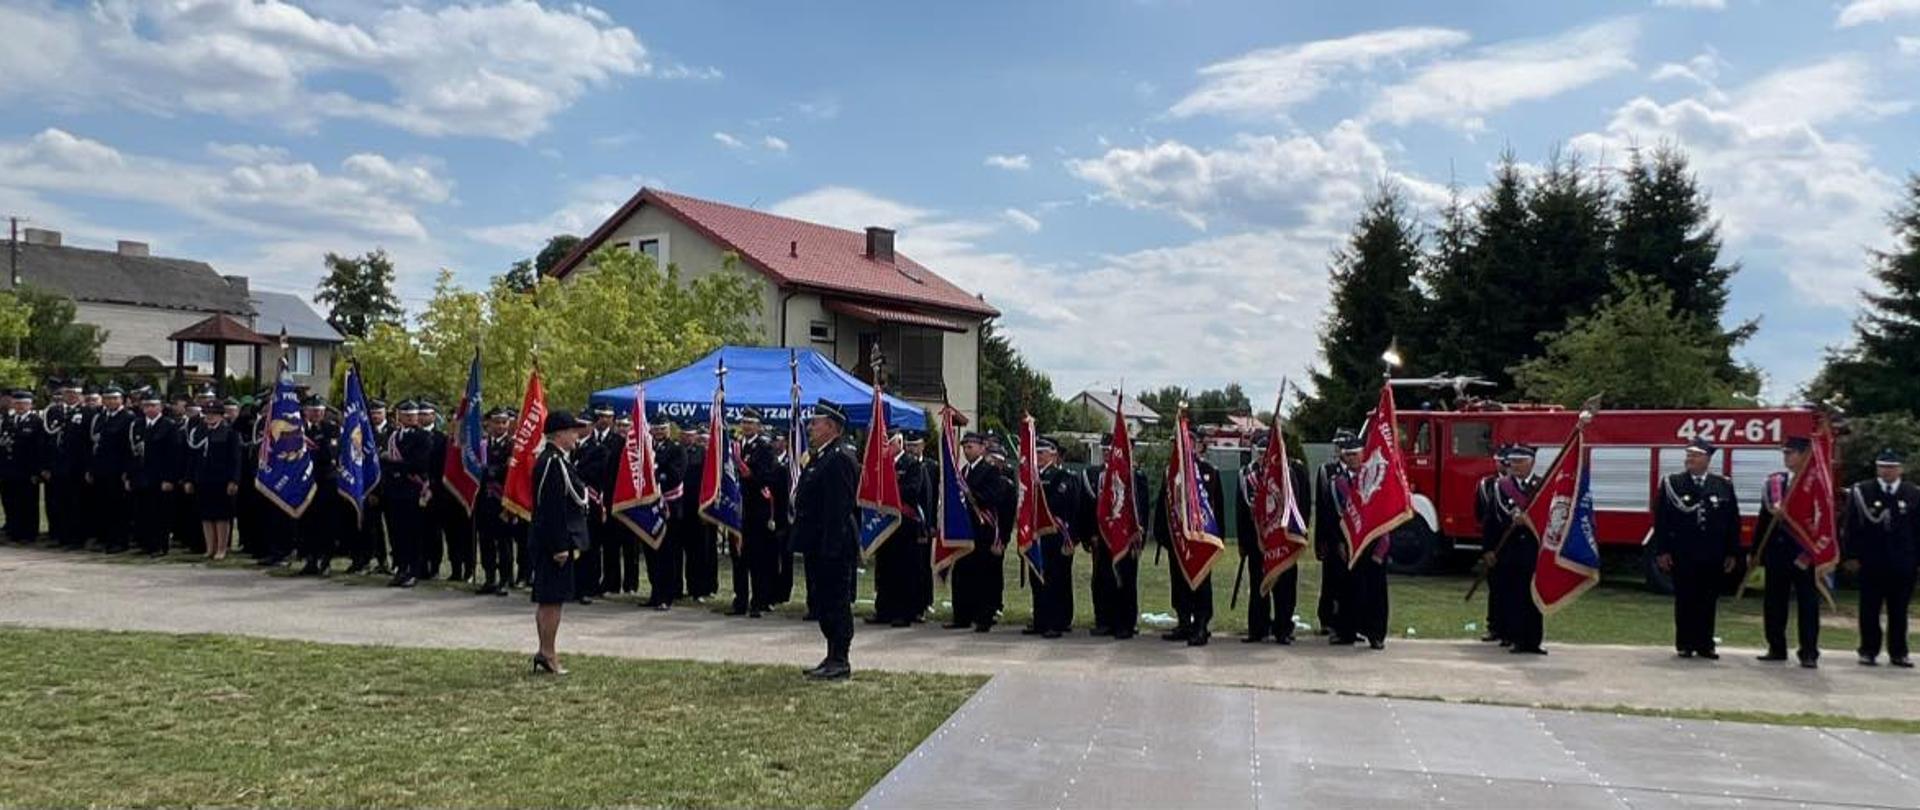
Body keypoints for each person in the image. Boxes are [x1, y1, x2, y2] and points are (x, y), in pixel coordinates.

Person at [790, 400, 861, 680]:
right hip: (817, 543)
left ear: (831, 426)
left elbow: (839, 507)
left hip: (833, 543)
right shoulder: (822, 455)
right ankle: (831, 655)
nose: (810, 427)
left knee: (836, 602)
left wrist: (830, 546)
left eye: (815, 423)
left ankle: (840, 659)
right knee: (823, 601)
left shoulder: (840, 457)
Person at [1653, 437, 1741, 660]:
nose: (1689, 459)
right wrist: (1662, 551)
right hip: (1683, 553)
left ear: (1707, 459)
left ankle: (1705, 644)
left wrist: (1732, 552)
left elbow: (1732, 520)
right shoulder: (1673, 483)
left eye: (1695, 455)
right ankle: (1685, 643)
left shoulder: (1722, 484)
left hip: (1713, 553)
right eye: (1688, 455)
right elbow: (1662, 520)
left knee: (1708, 599)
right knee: (1685, 598)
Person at [530, 409, 593, 676]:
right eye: (572, 431)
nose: (576, 435)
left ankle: (546, 651)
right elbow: (551, 508)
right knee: (551, 600)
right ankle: (548, 653)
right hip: (554, 543)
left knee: (551, 599)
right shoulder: (552, 462)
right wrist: (559, 546)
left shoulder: (558, 460)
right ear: (560, 434)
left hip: (558, 539)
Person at [1844, 449, 1918, 668]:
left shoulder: (1912, 493)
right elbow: (1851, 526)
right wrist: (1851, 555)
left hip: (1903, 563)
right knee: (1869, 609)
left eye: (1891, 467)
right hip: (1871, 562)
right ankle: (1868, 650)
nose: (1886, 471)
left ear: (1900, 469)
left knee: (1899, 611)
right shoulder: (1863, 491)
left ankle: (1899, 652)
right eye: (1882, 467)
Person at [1753, 436, 1822, 668]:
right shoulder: (1774, 482)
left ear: (1804, 455)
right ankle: (1776, 647)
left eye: (1790, 453)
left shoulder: (1815, 483)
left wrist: (1813, 554)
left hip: (1805, 554)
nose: (1786, 457)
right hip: (1777, 552)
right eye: (1784, 453)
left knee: (1808, 606)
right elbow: (1763, 521)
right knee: (1774, 603)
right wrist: (1756, 552)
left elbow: (1823, 523)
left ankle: (1809, 652)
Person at [1237, 432, 1309, 645]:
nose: (1263, 457)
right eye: (1259, 453)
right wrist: (1243, 542)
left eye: (1267, 452)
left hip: (1284, 540)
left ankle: (1283, 629)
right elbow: (1241, 510)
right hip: (1257, 541)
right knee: (1259, 586)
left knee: (1285, 588)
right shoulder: (1247, 475)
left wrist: (1299, 534)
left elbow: (1302, 505)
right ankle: (1258, 628)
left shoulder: (1293, 472)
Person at [1153, 432, 1224, 646]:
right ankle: (1184, 622)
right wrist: (1163, 536)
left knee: (1201, 585)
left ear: (1196, 446)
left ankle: (1201, 625)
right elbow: (1162, 508)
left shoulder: (1209, 472)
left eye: (1186, 443)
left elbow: (1217, 508)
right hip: (1178, 540)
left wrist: (1217, 538)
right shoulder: (1171, 473)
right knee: (1179, 584)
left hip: (1201, 541)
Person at [1081, 433, 1147, 640]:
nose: (1108, 455)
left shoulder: (1134, 476)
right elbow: (1087, 507)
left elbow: (1141, 508)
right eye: (1105, 451)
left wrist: (1138, 534)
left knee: (1125, 580)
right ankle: (1104, 620)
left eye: (1112, 451)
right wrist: (1089, 533)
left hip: (1126, 537)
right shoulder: (1093, 475)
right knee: (1101, 580)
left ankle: (1126, 623)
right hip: (1101, 537)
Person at [947, 432, 1013, 632]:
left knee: (983, 576)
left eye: (971, 447)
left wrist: (971, 495)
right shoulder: (964, 471)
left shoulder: (990, 471)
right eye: (965, 447)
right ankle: (962, 616)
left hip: (983, 532)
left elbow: (993, 499)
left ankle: (984, 617)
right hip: (965, 531)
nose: (967, 451)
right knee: (962, 575)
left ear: (982, 447)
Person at [1485, 444, 1545, 655]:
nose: (1516, 466)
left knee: (1534, 597)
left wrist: (1528, 521)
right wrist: (1489, 549)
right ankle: (1516, 637)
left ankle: (1534, 641)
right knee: (1514, 595)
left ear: (1532, 462)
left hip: (1532, 550)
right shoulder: (1502, 486)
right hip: (1509, 550)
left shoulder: (1541, 485)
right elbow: (1493, 518)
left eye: (1521, 461)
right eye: (1514, 462)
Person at [1026, 436, 1085, 639]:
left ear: (1053, 454)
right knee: (1037, 578)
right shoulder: (1031, 478)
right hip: (1036, 536)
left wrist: (1073, 537)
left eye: (1042, 453)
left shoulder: (1062, 477)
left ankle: (1057, 621)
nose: (1038, 457)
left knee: (1055, 579)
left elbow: (1065, 505)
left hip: (1056, 536)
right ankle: (1040, 619)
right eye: (1037, 453)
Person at [733, 408, 786, 617]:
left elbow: (768, 478)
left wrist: (749, 474)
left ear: (758, 426)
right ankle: (740, 600)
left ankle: (758, 602)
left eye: (750, 422)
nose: (746, 426)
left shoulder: (764, 448)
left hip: (756, 510)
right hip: (738, 509)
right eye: (744, 422)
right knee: (739, 558)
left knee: (757, 558)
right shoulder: (736, 446)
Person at [869, 430, 924, 626]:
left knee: (903, 569)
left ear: (898, 443)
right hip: (884, 521)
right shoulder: (881, 465)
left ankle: (904, 612)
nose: (885, 449)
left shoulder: (911, 464)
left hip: (904, 523)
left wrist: (890, 491)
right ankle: (884, 609)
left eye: (888, 444)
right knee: (884, 568)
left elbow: (912, 490)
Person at [1314, 431, 1359, 640]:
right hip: (1332, 536)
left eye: (1344, 446)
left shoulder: (1359, 472)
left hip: (1353, 537)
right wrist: (1321, 541)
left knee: (1350, 583)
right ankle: (1327, 620)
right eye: (1338, 446)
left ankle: (1349, 623)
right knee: (1330, 581)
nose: (1340, 450)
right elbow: (1322, 509)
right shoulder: (1327, 471)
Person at [385, 401, 435, 588]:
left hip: (412, 490)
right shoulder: (394, 436)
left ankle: (414, 570)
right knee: (397, 533)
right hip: (395, 491)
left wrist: (395, 464)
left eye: (413, 415)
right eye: (406, 415)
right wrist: (394, 466)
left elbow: (419, 463)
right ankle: (401, 567)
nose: (410, 418)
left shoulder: (423, 437)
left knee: (413, 533)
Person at [127, 390, 183, 557]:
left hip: (160, 477)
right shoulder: (137, 424)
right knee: (142, 512)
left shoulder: (169, 426)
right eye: (146, 405)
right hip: (141, 476)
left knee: (160, 513)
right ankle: (146, 544)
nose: (149, 408)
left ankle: (160, 545)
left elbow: (174, 455)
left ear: (160, 407)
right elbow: (132, 452)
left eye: (153, 405)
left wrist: (169, 478)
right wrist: (130, 476)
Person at [187, 399, 244, 560]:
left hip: (222, 480)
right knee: (206, 515)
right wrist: (189, 479)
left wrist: (234, 480)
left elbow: (235, 459)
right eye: (208, 414)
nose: (210, 417)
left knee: (221, 516)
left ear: (221, 416)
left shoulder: (230, 433)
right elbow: (192, 457)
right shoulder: (199, 431)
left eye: (214, 414)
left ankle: (222, 548)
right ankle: (210, 547)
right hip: (203, 479)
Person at [573, 405, 618, 604]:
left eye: (583, 425)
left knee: (589, 548)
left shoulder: (599, 449)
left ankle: (587, 587)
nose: (579, 428)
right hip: (572, 505)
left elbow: (595, 474)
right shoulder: (570, 448)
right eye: (577, 425)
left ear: (591, 426)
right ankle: (573, 586)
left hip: (590, 505)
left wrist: (575, 472)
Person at [642, 418, 687, 609]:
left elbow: (675, 476)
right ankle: (655, 593)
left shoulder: (677, 449)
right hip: (649, 508)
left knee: (667, 553)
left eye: (662, 428)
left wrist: (658, 470)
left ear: (669, 430)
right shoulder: (645, 448)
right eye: (656, 428)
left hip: (669, 507)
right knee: (650, 552)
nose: (658, 431)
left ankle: (666, 596)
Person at [476, 408, 520, 595]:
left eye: (504, 422)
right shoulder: (483, 445)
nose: (500, 426)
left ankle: (505, 579)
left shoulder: (512, 445)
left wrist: (494, 471)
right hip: (484, 501)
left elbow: (511, 472)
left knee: (504, 543)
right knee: (486, 541)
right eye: (496, 422)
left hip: (503, 501)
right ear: (489, 424)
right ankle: (489, 578)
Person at [88, 386, 136, 553]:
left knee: (119, 507)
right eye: (108, 398)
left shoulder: (128, 418)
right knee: (102, 505)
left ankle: (120, 541)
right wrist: (92, 469)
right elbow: (94, 445)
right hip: (101, 469)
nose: (111, 402)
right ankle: (105, 539)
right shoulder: (100, 417)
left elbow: (130, 447)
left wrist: (127, 471)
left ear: (121, 400)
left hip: (118, 470)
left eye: (115, 398)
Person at [346, 400, 392, 575]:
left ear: (385, 413)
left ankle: (385, 561)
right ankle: (364, 559)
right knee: (368, 526)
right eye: (372, 413)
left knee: (390, 528)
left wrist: (379, 490)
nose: (375, 416)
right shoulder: (364, 432)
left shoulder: (392, 433)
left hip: (388, 487)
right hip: (366, 488)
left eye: (378, 412)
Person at [1473, 447, 1512, 644]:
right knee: (1496, 588)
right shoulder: (1487, 484)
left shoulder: (1519, 486)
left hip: (1514, 544)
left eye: (1507, 461)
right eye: (1500, 461)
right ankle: (1494, 627)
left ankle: (1511, 630)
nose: (1504, 465)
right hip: (1495, 543)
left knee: (1513, 590)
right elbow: (1482, 515)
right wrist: (1487, 547)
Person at [298, 396, 340, 576]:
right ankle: (310, 559)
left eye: (319, 411)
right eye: (312, 410)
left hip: (325, 481)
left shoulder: (331, 429)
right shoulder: (299, 429)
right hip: (305, 482)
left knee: (326, 522)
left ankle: (326, 560)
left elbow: (328, 454)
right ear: (305, 411)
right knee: (307, 521)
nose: (316, 414)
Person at [46, 382, 90, 549]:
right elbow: (49, 439)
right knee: (60, 502)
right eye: (67, 393)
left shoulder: (86, 412)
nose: (70, 396)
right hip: (58, 465)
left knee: (76, 503)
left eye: (74, 394)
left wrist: (87, 467)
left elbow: (87, 442)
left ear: (80, 396)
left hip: (76, 466)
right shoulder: (54, 412)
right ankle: (62, 536)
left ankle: (77, 538)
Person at [0, 389, 47, 543]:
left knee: (28, 503)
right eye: (17, 403)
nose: (20, 406)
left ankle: (28, 533)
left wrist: (37, 471)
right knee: (10, 501)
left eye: (23, 403)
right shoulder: (8, 420)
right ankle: (13, 530)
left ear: (30, 405)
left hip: (27, 470)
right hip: (9, 469)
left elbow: (39, 449)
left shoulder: (36, 422)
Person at [680, 424, 720, 599]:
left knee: (698, 551)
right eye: (684, 435)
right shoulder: (676, 450)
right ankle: (677, 588)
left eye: (691, 435)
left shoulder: (703, 454)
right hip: (679, 506)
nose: (687, 438)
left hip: (697, 508)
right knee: (677, 551)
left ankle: (699, 588)